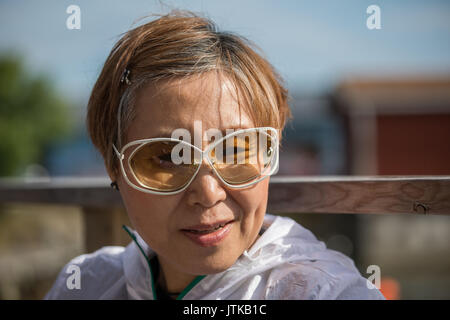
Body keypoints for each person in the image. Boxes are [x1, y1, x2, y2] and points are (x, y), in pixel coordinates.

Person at [45, 10, 384, 300]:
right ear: (114, 168)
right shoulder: (87, 283)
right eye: (169, 157)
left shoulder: (322, 291)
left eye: (236, 150)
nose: (209, 193)